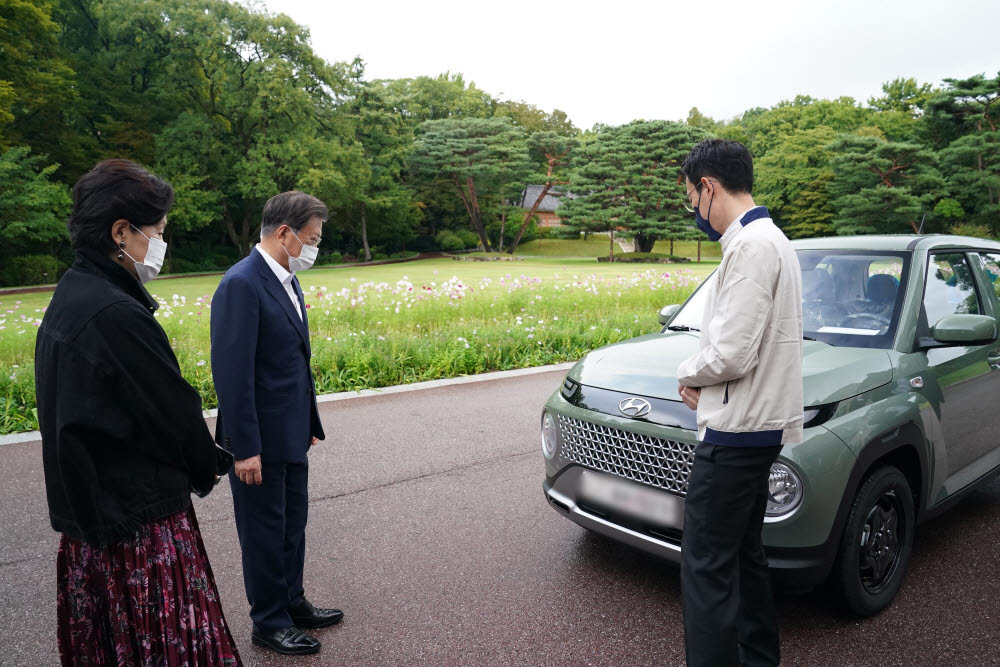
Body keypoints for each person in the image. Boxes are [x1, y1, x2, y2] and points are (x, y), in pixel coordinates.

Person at [35, 159, 241, 666]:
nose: (162, 243)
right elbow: (172, 411)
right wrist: (209, 462)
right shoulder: (116, 314)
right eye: (158, 231)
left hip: (93, 519)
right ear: (121, 232)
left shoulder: (73, 294)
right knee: (164, 641)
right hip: (137, 522)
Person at [675, 139, 803, 667]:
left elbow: (731, 351)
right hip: (762, 425)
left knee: (705, 564)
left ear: (709, 186)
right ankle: (758, 658)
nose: (692, 211)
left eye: (690, 198)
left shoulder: (750, 246)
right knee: (746, 554)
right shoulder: (775, 240)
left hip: (735, 431)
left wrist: (687, 373)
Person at [210, 191, 340, 657]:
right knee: (264, 532)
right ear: (283, 233)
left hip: (290, 433)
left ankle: (291, 601)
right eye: (310, 238)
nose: (313, 248)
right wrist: (243, 448)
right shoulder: (241, 284)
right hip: (257, 441)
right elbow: (232, 372)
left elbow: (292, 363)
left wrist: (308, 421)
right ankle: (268, 621)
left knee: (291, 525)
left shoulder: (286, 279)